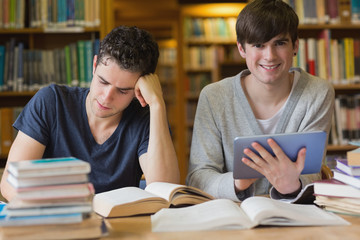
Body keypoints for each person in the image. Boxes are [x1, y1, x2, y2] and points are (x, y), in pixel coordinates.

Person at [0, 26, 180, 201]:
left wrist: (157, 104)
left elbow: (164, 190)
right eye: (103, 81)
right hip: (55, 222)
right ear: (94, 65)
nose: (107, 97)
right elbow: (10, 184)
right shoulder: (51, 102)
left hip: (121, 229)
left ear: (138, 90)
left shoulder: (145, 119)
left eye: (123, 91)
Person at [186, 0, 334, 201]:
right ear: (241, 49)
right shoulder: (213, 97)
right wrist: (238, 182)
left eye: (279, 43)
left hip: (294, 215)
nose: (270, 56)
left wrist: (294, 185)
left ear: (295, 46)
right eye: (258, 45)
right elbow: (198, 178)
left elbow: (312, 171)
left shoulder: (317, 92)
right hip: (232, 219)